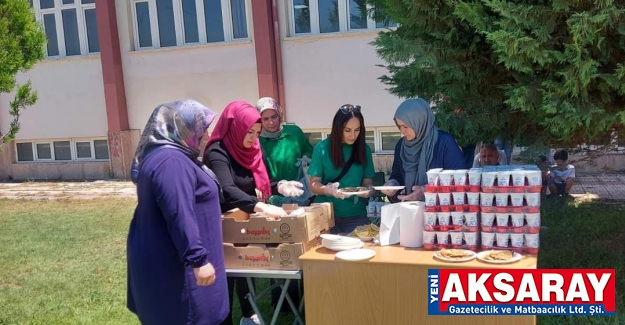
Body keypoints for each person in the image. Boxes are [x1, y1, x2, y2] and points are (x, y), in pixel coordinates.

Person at [126, 99, 228, 325]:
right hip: (178, 273)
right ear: (181, 128)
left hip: (171, 264)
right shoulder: (171, 161)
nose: (206, 134)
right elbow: (178, 211)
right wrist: (198, 260)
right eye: (201, 127)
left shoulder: (171, 156)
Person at [203, 100, 302, 325]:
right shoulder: (217, 150)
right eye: (249, 132)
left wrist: (281, 185)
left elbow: (264, 179)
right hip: (222, 222)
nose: (253, 138)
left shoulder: (254, 149)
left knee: (246, 265)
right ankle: (223, 319)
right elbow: (227, 189)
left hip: (246, 220)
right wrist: (259, 205)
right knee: (226, 275)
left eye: (257, 133)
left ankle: (248, 314)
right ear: (236, 126)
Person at [255, 97, 311, 313]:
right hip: (275, 200)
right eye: (265, 119)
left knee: (302, 247)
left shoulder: (294, 132)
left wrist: (306, 159)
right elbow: (258, 173)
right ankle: (285, 303)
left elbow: (310, 150)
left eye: (274, 117)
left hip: (301, 196)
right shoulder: (258, 141)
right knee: (280, 251)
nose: (270, 122)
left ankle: (307, 298)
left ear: (280, 114)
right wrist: (277, 184)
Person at [308, 104, 376, 234]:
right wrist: (329, 190)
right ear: (338, 128)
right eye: (347, 130)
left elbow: (368, 182)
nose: (353, 135)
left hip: (356, 214)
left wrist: (369, 190)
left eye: (357, 130)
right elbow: (313, 184)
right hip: (326, 214)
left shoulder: (364, 149)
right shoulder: (322, 148)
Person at [381, 98, 466, 201]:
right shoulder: (401, 146)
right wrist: (393, 185)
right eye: (399, 126)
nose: (402, 131)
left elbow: (459, 181)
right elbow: (397, 176)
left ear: (418, 121)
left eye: (405, 126)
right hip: (410, 212)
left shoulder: (444, 142)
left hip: (439, 213)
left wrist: (426, 191)